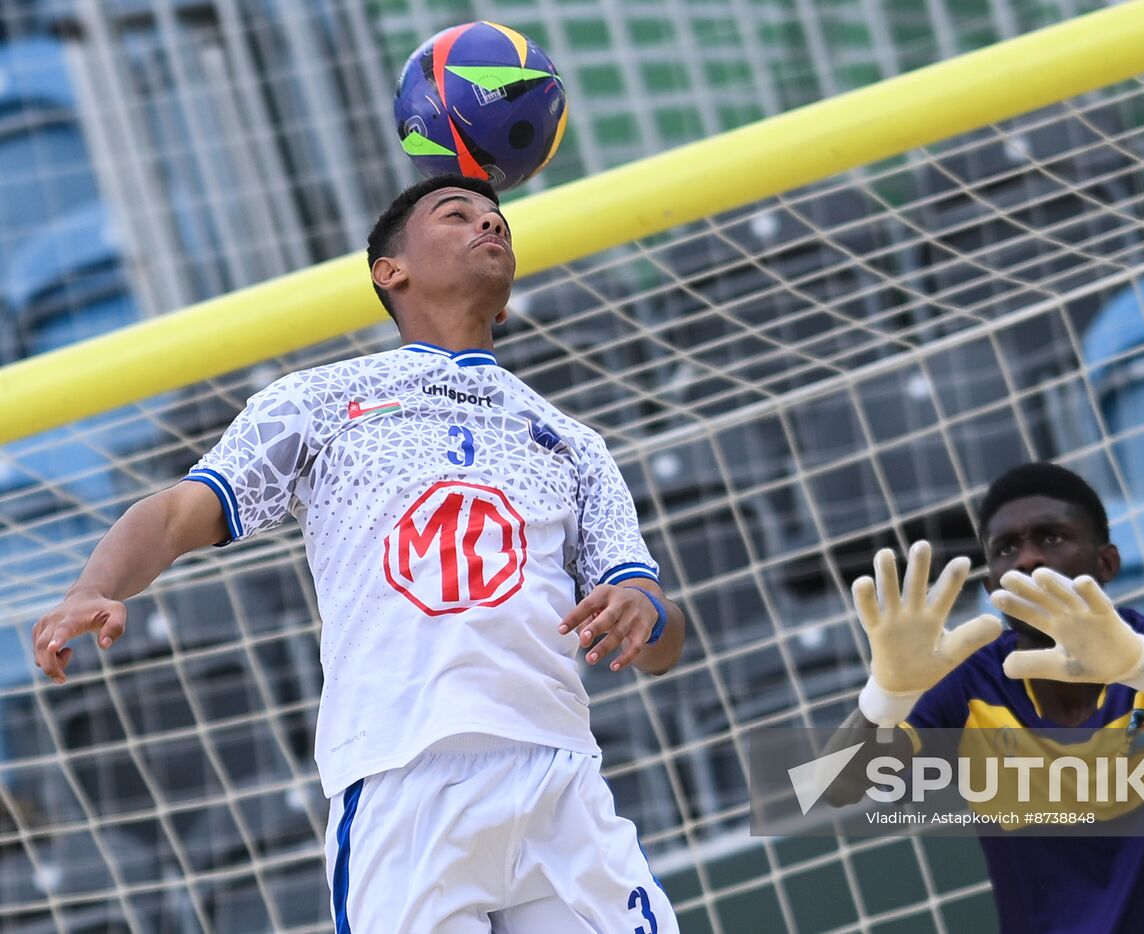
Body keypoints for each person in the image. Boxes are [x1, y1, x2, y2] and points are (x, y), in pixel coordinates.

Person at [32, 173, 684, 933]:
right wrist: (95, 586)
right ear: (389, 271)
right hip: (402, 780)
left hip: (559, 777)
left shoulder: (573, 443)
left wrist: (645, 612)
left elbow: (663, 643)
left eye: (497, 218)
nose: (490, 225)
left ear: (506, 304)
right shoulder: (319, 401)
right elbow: (181, 511)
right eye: (458, 215)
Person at [822, 461, 1144, 933]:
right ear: (991, 587)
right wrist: (886, 696)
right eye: (1006, 549)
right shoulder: (965, 684)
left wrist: (1143, 668)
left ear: (1106, 563)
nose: (1027, 559)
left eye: (1051, 538)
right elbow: (832, 787)